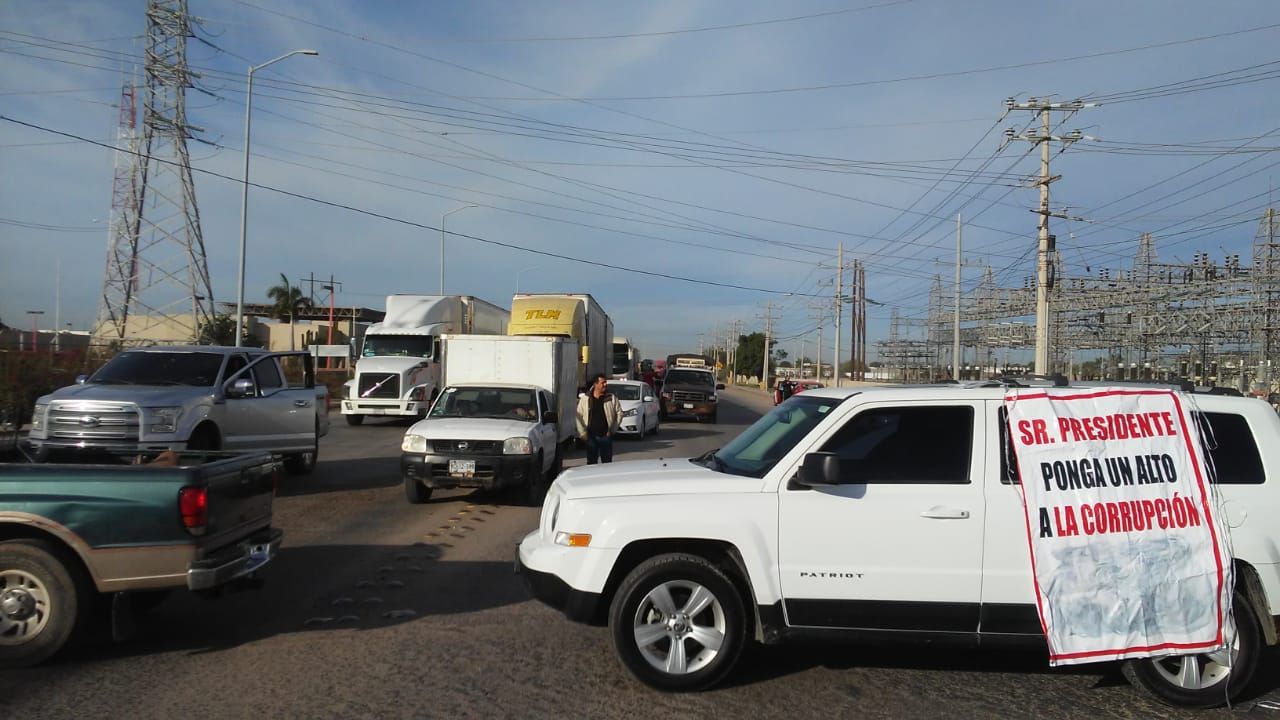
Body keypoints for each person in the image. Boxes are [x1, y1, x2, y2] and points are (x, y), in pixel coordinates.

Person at [576, 372, 621, 464]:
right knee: (591, 464)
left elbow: (619, 413)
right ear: (595, 384)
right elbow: (578, 416)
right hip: (591, 436)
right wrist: (583, 433)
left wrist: (612, 429)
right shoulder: (586, 399)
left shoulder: (611, 398)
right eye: (602, 383)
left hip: (605, 436)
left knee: (607, 463)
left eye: (606, 382)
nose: (605, 385)